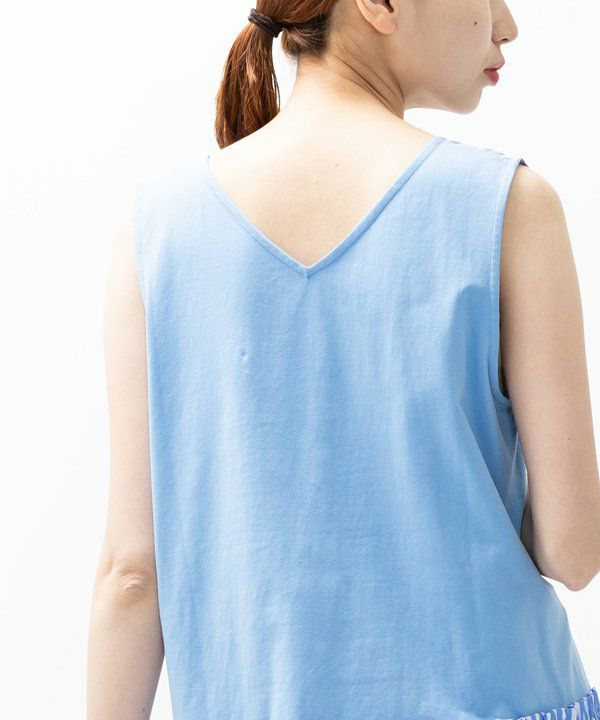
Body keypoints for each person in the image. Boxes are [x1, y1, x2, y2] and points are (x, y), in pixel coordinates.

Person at [87, 1, 600, 719]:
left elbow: (132, 577)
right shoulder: (510, 207)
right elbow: (573, 551)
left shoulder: (156, 231)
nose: (505, 21)